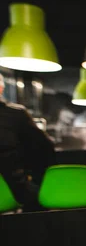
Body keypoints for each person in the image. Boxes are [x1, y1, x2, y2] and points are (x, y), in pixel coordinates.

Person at [0, 73, 56, 212]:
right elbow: (44, 147)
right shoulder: (15, 114)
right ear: (1, 89)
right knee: (37, 198)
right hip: (13, 186)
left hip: (11, 186)